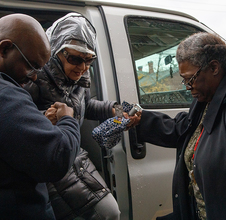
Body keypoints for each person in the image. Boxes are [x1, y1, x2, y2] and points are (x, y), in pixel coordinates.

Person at [134, 32, 226, 219]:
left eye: (191, 78)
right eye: (184, 79)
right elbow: (185, 130)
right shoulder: (207, 96)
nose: (188, 87)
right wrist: (141, 120)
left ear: (214, 67)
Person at [24, 13, 120, 220]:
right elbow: (15, 118)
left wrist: (114, 110)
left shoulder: (78, 79)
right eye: (75, 58)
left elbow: (84, 106)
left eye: (89, 60)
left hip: (74, 153)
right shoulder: (34, 77)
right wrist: (43, 119)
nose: (83, 67)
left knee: (110, 212)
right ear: (55, 51)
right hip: (50, 160)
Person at [0, 14, 80, 219]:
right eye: (31, 65)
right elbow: (57, 157)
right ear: (4, 49)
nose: (34, 76)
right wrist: (68, 120)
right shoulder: (8, 94)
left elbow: (12, 130)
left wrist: (38, 121)